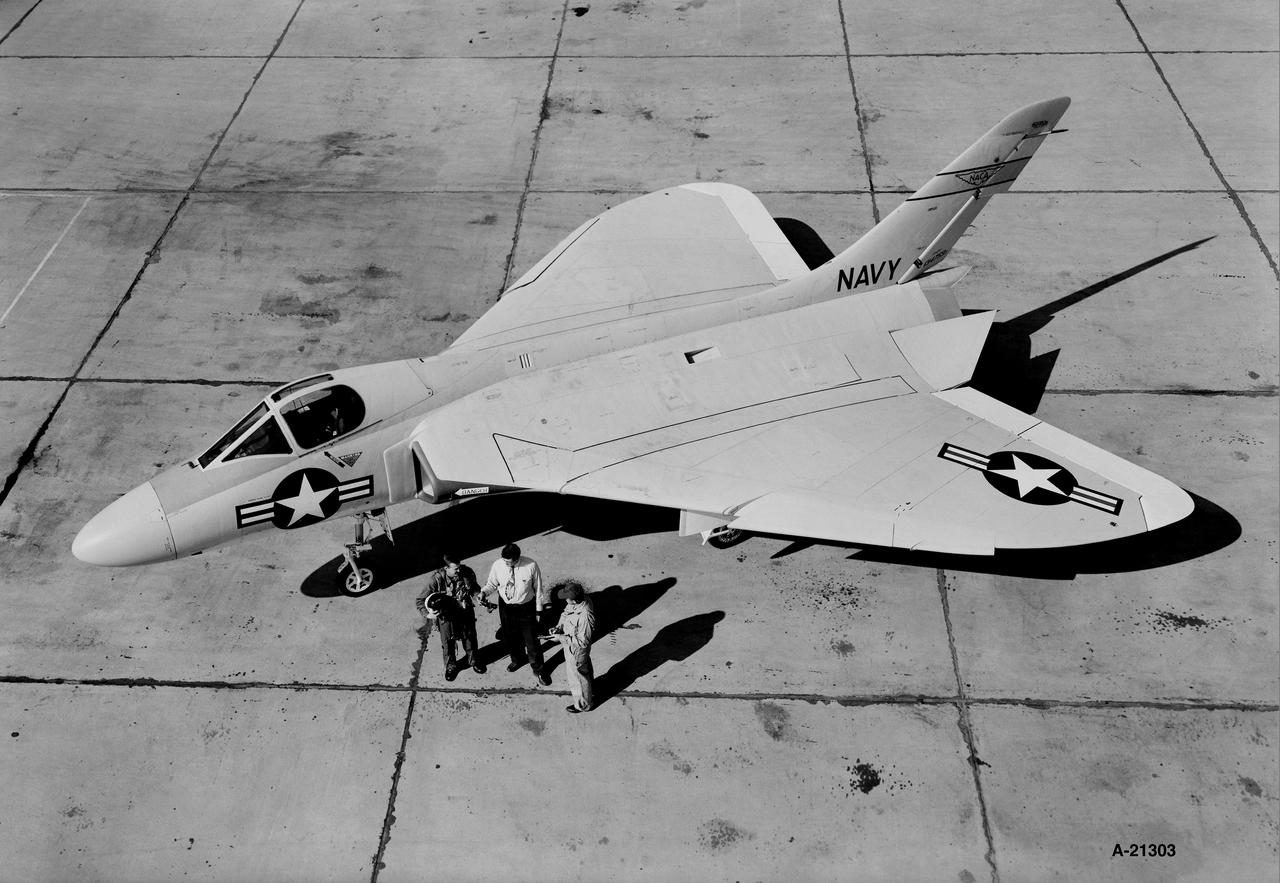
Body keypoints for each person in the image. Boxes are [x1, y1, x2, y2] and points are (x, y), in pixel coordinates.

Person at [480, 543, 550, 686]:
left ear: (517, 558)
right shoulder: (498, 565)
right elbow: (492, 584)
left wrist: (538, 611)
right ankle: (517, 660)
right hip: (506, 608)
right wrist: (484, 592)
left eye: (508, 562)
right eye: (504, 560)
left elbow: (538, 590)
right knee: (511, 637)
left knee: (532, 641)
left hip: (526, 608)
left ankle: (538, 669)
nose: (505, 564)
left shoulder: (530, 565)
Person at [416, 552, 486, 681]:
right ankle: (451, 667)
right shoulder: (435, 580)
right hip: (446, 618)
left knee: (470, 638)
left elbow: (474, 588)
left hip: (465, 613)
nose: (459, 571)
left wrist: (479, 597)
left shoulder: (467, 572)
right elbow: (420, 601)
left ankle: (473, 661)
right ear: (446, 568)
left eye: (459, 567)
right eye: (455, 569)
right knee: (448, 643)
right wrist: (429, 614)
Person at [549, 581, 595, 713]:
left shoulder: (585, 615)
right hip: (570, 643)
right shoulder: (578, 602)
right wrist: (559, 627)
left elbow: (583, 642)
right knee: (584, 670)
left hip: (576, 649)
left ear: (574, 600)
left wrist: (561, 638)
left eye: (566, 598)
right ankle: (590, 690)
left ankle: (583, 704)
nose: (565, 601)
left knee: (577, 677)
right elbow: (566, 614)